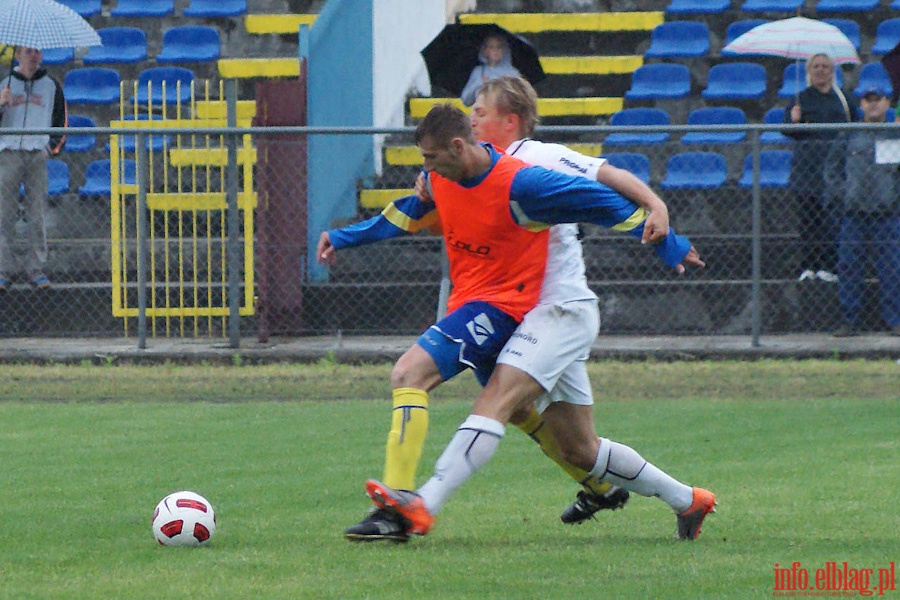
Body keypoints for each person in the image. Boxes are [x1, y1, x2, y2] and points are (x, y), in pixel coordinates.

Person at [318, 103, 706, 542]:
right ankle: (684, 499)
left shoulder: (527, 174)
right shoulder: (442, 179)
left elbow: (602, 196)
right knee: (577, 445)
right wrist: (344, 236)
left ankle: (414, 504)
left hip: (533, 309)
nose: (424, 168)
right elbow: (409, 214)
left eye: (430, 157)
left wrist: (668, 240)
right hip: (518, 312)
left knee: (430, 378)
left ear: (465, 141)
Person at [783, 53, 858, 284]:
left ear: (832, 71)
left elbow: (855, 127)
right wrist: (793, 121)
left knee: (831, 220)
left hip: (836, 169)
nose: (820, 70)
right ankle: (808, 265)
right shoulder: (799, 99)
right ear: (809, 71)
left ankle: (829, 266)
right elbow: (788, 131)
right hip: (807, 169)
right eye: (816, 66)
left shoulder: (843, 99)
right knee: (808, 220)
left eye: (825, 66)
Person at [832, 85, 900, 337]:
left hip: (888, 215)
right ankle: (849, 320)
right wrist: (842, 196)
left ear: (887, 103)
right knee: (849, 267)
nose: (873, 104)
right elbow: (833, 169)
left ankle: (894, 319)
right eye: (867, 100)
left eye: (877, 100)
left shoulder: (895, 135)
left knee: (892, 268)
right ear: (860, 104)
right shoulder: (849, 135)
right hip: (854, 214)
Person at [0, 46, 66, 292]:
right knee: (2, 215)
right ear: (17, 55)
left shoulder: (51, 85)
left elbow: (61, 120)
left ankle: (35, 269)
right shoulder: (4, 83)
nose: (33, 56)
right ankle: (2, 270)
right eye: (28, 51)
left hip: (37, 155)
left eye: (37, 51)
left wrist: (50, 148)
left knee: (36, 213)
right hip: (8, 153)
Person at [460, 34, 521, 107]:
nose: (496, 50)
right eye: (492, 47)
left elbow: (518, 99)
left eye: (499, 47)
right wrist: (480, 83)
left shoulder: (513, 73)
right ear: (484, 51)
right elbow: (466, 100)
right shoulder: (478, 71)